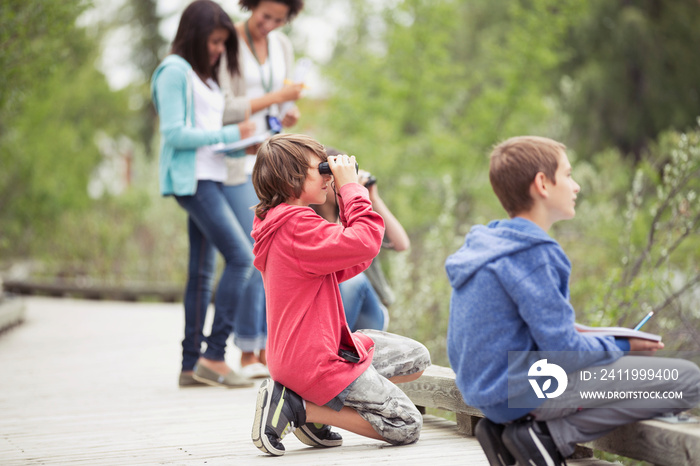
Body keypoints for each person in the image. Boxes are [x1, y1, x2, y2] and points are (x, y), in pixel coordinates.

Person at [445, 136, 700, 466]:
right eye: (567, 175)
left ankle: (517, 432)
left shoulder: (487, 246)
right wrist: (622, 347)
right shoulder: (535, 254)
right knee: (687, 380)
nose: (576, 186)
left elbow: (520, 330)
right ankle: (550, 435)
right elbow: (563, 352)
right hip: (524, 390)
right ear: (542, 184)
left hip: (488, 394)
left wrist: (601, 336)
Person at [249, 134, 431, 456]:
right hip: (314, 361)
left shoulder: (284, 224)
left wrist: (348, 198)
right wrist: (350, 188)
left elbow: (354, 259)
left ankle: (321, 402)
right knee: (406, 424)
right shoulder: (296, 226)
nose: (327, 176)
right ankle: (302, 407)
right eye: (319, 169)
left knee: (416, 359)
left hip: (315, 350)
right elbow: (365, 243)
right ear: (291, 179)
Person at [151, 0, 257, 389]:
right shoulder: (174, 72)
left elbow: (209, 140)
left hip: (211, 176)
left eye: (222, 43)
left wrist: (245, 146)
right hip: (191, 181)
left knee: (201, 272)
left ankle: (190, 365)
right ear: (194, 35)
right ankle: (215, 355)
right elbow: (176, 134)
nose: (217, 50)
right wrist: (231, 135)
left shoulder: (207, 78)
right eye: (213, 41)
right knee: (243, 257)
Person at [215, 0, 306, 376]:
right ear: (250, 6)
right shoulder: (228, 42)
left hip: (271, 161)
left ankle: (269, 348)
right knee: (254, 252)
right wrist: (276, 99)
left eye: (278, 20)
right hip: (236, 160)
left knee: (276, 253)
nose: (268, 24)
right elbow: (222, 107)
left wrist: (287, 113)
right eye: (264, 16)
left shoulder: (283, 45)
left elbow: (281, 102)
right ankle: (247, 349)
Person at [312, 148, 410, 331]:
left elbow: (402, 244)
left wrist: (372, 197)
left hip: (370, 308)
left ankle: (333, 347)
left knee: (353, 280)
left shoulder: (358, 213)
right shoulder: (309, 217)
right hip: (327, 308)